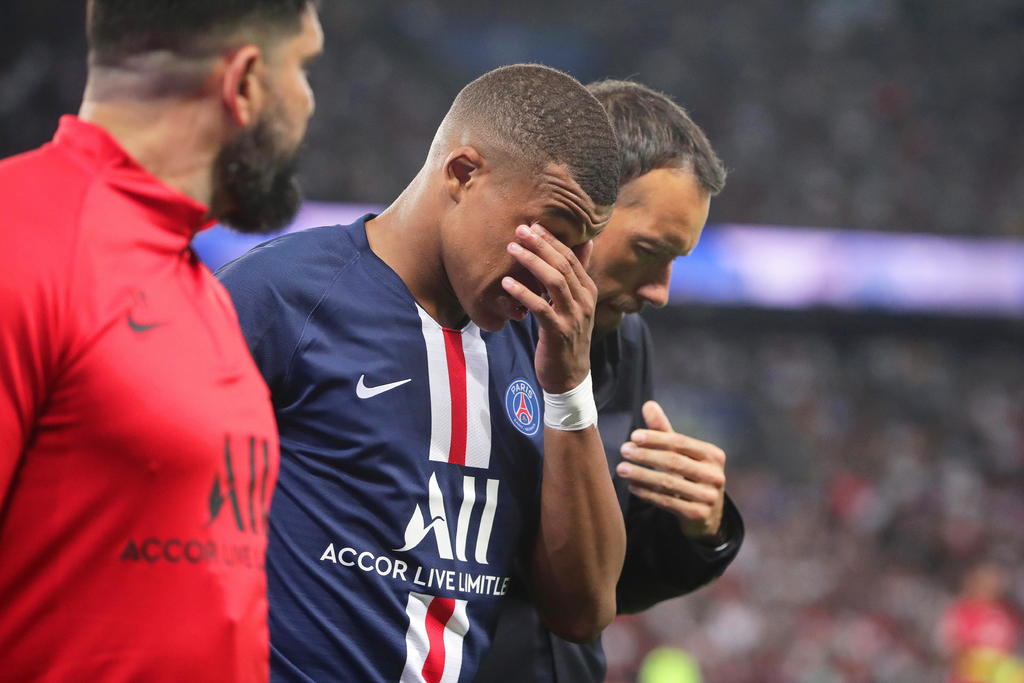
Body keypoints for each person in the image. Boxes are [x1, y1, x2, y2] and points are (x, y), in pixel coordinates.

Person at [217, 64, 626, 682]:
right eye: (551, 233)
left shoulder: (541, 349)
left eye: (580, 247)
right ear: (463, 173)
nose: (560, 272)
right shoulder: (279, 296)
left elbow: (583, 610)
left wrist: (570, 388)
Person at [0, 1, 322, 680]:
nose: (308, 102)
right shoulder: (20, 240)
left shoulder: (195, 284)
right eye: (303, 68)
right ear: (244, 82)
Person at [475, 80, 744, 683]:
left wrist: (696, 528)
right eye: (648, 250)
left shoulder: (622, 339)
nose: (660, 291)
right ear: (579, 204)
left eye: (675, 261)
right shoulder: (465, 323)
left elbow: (593, 587)